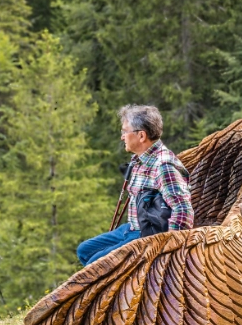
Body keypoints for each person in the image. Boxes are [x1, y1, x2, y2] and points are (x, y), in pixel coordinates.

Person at [76, 105, 194, 266]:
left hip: (147, 233)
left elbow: (183, 209)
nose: (122, 137)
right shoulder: (140, 159)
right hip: (132, 228)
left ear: (141, 136)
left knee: (96, 266)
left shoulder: (163, 166)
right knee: (84, 251)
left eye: (125, 131)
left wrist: (170, 249)